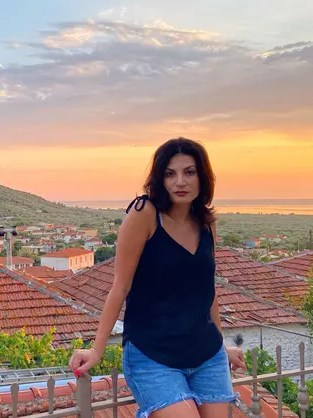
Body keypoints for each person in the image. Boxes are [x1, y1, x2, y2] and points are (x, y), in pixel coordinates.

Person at [69, 137, 247, 418]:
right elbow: (120, 286)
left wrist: (222, 344)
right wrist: (96, 349)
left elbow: (206, 291)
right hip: (153, 355)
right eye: (170, 174)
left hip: (207, 354)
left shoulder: (206, 224)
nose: (180, 182)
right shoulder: (145, 214)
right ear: (159, 179)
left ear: (203, 177)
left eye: (189, 172)